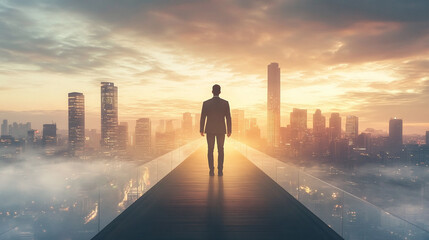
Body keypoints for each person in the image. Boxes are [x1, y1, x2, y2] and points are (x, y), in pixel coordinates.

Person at [200, 84, 232, 176]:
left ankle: (211, 170)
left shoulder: (206, 103)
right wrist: (229, 130)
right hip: (221, 130)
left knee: (210, 150)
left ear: (212, 91)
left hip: (209, 129)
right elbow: (228, 118)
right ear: (220, 92)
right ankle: (220, 170)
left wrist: (201, 129)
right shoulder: (225, 103)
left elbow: (203, 117)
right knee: (220, 150)